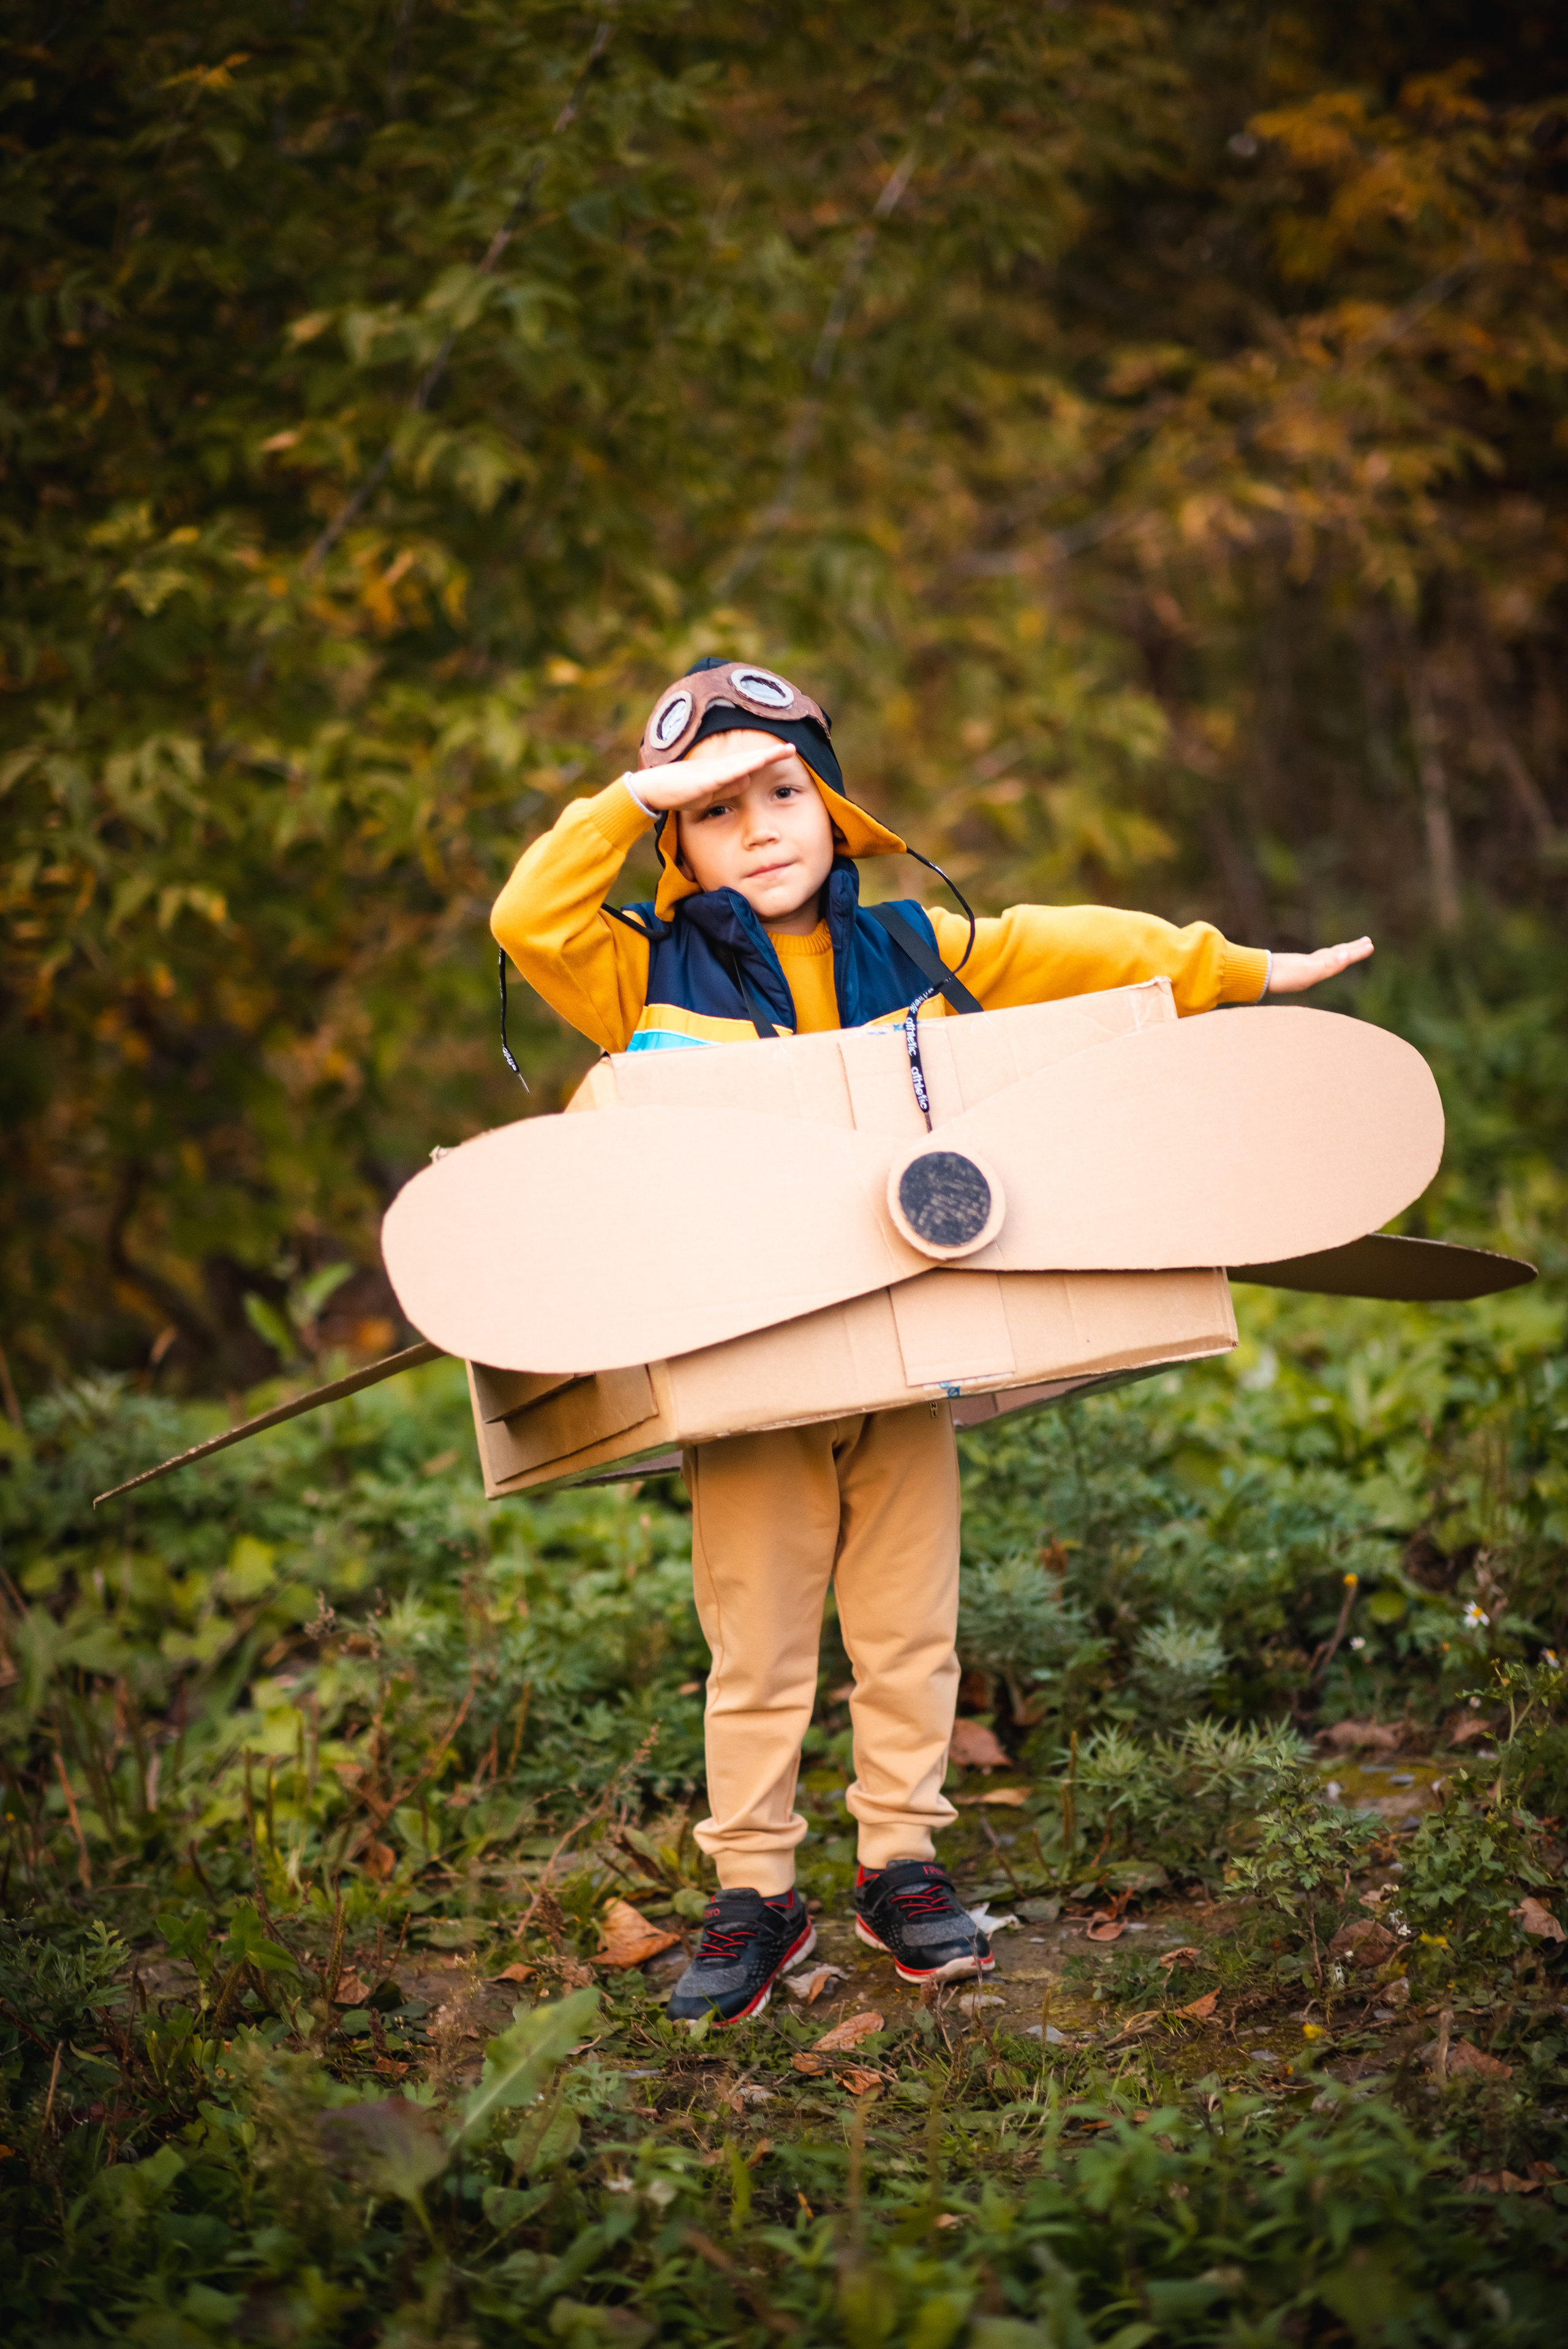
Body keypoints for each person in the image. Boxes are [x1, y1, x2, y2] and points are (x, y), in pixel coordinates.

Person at [491, 656, 1372, 2023]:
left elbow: (1074, 948)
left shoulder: (910, 946)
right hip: (750, 1372)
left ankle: (899, 1858)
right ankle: (754, 1893)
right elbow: (526, 915)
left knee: (907, 1624)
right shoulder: (640, 971)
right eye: (716, 811)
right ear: (675, 841)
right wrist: (628, 796)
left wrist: (1247, 969)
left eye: (782, 791)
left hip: (903, 1353)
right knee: (760, 1639)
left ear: (834, 806)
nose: (760, 826)